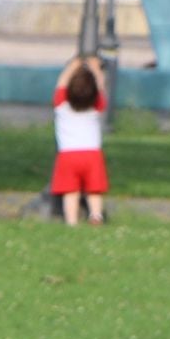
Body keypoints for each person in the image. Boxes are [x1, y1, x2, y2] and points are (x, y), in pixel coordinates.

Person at [52, 55, 109, 227]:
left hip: (68, 155)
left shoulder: (62, 106)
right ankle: (96, 216)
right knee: (94, 190)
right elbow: (100, 86)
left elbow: (61, 84)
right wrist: (95, 68)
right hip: (92, 154)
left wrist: (71, 66)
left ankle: (71, 221)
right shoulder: (95, 107)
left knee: (71, 191)